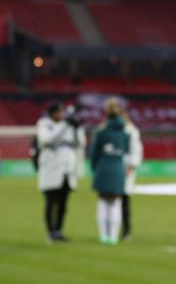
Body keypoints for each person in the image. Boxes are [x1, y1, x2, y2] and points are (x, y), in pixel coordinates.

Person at [36, 102, 85, 243]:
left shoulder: (69, 126)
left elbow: (80, 144)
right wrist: (65, 126)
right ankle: (50, 232)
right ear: (52, 113)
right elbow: (46, 140)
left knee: (63, 203)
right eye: (58, 112)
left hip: (67, 171)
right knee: (50, 202)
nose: (61, 115)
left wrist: (76, 128)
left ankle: (58, 231)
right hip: (50, 169)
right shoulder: (44, 124)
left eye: (62, 112)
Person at [89, 99, 130, 245]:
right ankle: (113, 237)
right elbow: (126, 152)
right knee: (116, 203)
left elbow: (94, 154)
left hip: (103, 168)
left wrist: (95, 168)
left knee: (103, 203)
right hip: (118, 169)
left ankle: (103, 236)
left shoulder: (101, 132)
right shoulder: (125, 133)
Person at [121, 109, 144, 241]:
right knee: (114, 201)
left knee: (124, 200)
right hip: (117, 167)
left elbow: (137, 151)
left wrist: (131, 166)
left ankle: (126, 230)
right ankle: (114, 229)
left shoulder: (132, 131)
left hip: (126, 167)